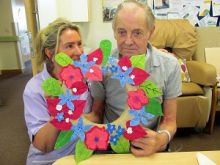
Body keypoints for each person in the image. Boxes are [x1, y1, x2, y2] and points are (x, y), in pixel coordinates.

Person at [87, 0, 182, 157]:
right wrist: (75, 119)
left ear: (150, 32)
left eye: (137, 33)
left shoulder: (169, 66)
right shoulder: (101, 67)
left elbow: (170, 121)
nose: (128, 41)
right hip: (111, 146)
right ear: (114, 32)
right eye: (122, 32)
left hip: (148, 145)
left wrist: (160, 139)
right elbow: (97, 113)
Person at [23, 18, 91, 164]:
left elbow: (94, 117)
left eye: (79, 44)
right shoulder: (35, 89)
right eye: (69, 46)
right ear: (50, 53)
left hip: (81, 156)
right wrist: (62, 109)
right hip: (49, 160)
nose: (79, 52)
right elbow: (43, 145)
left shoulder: (86, 79)